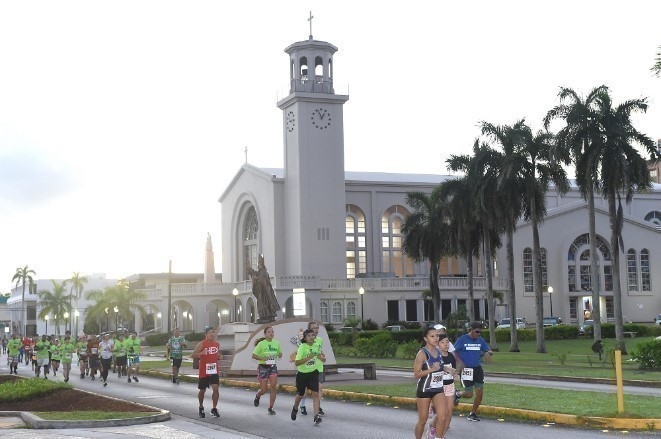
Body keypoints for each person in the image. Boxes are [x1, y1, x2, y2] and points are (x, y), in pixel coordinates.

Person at [453, 321, 494, 422]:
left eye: (480, 332)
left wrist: (489, 353)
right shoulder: (462, 339)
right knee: (469, 394)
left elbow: (488, 350)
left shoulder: (480, 340)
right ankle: (457, 394)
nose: (478, 334)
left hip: (477, 369)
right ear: (470, 330)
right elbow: (453, 352)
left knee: (480, 392)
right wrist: (460, 362)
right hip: (466, 369)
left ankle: (472, 413)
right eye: (477, 331)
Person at [414, 326, 446, 439]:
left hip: (437, 388)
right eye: (432, 336)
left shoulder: (438, 351)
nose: (436, 338)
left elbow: (439, 367)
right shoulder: (422, 354)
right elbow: (416, 374)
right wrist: (431, 370)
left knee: (442, 417)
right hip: (425, 389)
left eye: (437, 335)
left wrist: (448, 370)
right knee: (422, 421)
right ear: (426, 339)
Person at [291, 329, 325, 425]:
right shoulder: (302, 347)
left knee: (315, 394)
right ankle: (295, 407)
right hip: (302, 374)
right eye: (309, 335)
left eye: (312, 335)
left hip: (313, 373)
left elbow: (319, 356)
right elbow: (297, 362)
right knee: (301, 394)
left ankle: (316, 416)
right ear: (305, 338)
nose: (311, 337)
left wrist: (322, 358)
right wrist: (308, 358)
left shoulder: (316, 345)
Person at [191, 326, 222, 418]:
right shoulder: (202, 344)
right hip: (204, 371)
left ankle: (214, 408)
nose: (211, 334)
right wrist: (201, 353)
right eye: (209, 332)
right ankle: (201, 407)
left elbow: (215, 355)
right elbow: (193, 354)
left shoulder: (217, 344)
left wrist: (219, 357)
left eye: (213, 332)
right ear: (206, 334)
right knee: (202, 390)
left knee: (216, 389)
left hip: (213, 370)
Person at [252, 326, 282, 415]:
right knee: (264, 389)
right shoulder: (261, 344)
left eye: (272, 332)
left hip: (272, 366)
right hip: (263, 367)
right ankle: (258, 396)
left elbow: (279, 354)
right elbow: (253, 355)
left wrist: (280, 354)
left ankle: (270, 407)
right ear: (265, 334)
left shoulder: (276, 343)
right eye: (269, 332)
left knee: (273, 387)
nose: (271, 333)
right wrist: (263, 358)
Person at [299, 321, 325, 416]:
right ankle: (302, 405)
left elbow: (319, 351)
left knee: (319, 388)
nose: (316, 330)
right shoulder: (305, 341)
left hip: (318, 367)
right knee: (305, 391)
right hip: (307, 368)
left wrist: (322, 355)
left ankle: (318, 408)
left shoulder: (320, 340)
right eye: (313, 328)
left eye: (317, 328)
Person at [246, 255, 280, 323]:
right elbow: (253, 273)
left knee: (265, 304)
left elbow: (263, 279)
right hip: (260, 292)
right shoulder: (260, 272)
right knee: (261, 304)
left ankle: (268, 315)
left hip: (265, 293)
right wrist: (249, 268)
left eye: (259, 264)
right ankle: (263, 315)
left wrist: (256, 279)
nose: (258, 266)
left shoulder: (264, 271)